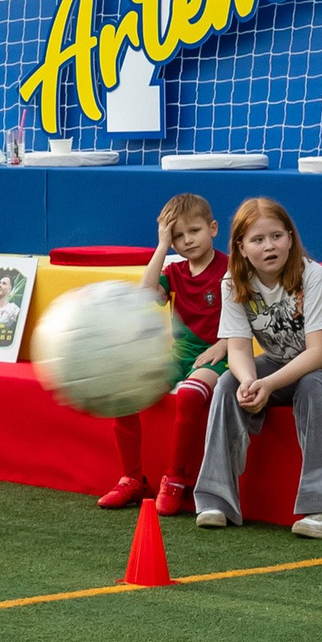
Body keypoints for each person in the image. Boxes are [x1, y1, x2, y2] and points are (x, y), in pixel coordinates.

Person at [197, 197, 322, 539]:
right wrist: (249, 381)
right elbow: (238, 348)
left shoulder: (312, 275)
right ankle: (216, 500)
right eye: (257, 240)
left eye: (276, 236)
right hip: (281, 362)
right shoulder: (233, 283)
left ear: (290, 236)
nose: (269, 246)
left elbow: (319, 354)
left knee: (312, 385)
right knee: (228, 385)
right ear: (240, 247)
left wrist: (267, 386)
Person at [98, 194, 229, 513]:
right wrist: (161, 247)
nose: (187, 241)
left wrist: (226, 343)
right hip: (179, 356)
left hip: (221, 355)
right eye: (178, 237)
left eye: (194, 231)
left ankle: (176, 479)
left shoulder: (231, 267)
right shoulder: (176, 271)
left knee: (188, 395)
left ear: (213, 228)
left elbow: (251, 312)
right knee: (123, 389)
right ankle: (132, 479)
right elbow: (144, 297)